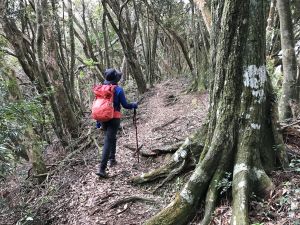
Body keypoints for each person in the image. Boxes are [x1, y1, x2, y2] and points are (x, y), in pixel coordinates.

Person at [96, 68, 138, 178]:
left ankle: (112, 159)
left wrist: (98, 122)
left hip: (103, 118)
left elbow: (98, 106)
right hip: (114, 119)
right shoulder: (118, 90)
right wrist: (134, 104)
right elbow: (125, 105)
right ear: (116, 79)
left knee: (111, 137)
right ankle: (102, 169)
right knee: (108, 141)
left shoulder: (101, 89)